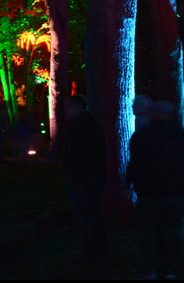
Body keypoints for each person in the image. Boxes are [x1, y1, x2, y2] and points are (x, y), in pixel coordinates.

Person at [127, 100, 184, 280]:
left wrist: (130, 182)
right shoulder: (179, 134)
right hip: (174, 190)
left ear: (152, 114)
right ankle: (172, 267)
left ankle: (148, 267)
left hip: (148, 191)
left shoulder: (142, 136)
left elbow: (134, 163)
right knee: (173, 230)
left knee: (146, 231)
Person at [61, 95, 107, 264]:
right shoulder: (90, 124)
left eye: (67, 107)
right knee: (93, 214)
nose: (65, 112)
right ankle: (98, 249)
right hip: (92, 176)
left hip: (85, 178)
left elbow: (80, 154)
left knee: (88, 215)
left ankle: (93, 252)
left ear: (77, 107)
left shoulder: (82, 127)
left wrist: (74, 174)